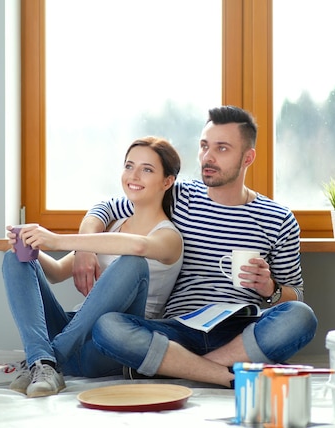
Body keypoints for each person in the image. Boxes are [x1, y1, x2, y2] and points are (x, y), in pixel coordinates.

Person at [75, 105, 318, 388]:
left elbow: (295, 296)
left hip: (239, 331)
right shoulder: (178, 194)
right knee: (108, 327)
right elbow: (104, 208)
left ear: (247, 157)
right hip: (177, 329)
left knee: (301, 317)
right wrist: (84, 249)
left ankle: (182, 369)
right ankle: (223, 373)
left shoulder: (278, 219)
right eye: (204, 146)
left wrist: (270, 289)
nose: (208, 157)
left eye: (222, 149)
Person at [1, 136, 184, 398]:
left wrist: (58, 239)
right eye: (129, 166)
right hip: (73, 330)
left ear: (167, 181)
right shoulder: (111, 228)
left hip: (109, 343)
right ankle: (43, 361)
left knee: (132, 263)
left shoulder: (169, 237)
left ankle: (48, 359)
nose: (134, 175)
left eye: (147, 169)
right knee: (14, 258)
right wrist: (31, 245)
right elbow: (55, 273)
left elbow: (138, 248)